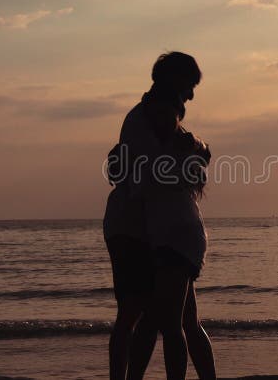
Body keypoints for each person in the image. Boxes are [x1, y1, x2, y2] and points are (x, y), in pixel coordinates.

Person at [103, 52, 216, 380]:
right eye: (189, 86)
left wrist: (197, 148)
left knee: (160, 320)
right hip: (151, 231)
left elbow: (150, 166)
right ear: (174, 83)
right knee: (167, 320)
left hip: (169, 232)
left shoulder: (164, 130)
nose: (192, 96)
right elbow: (146, 169)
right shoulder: (152, 120)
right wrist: (197, 149)